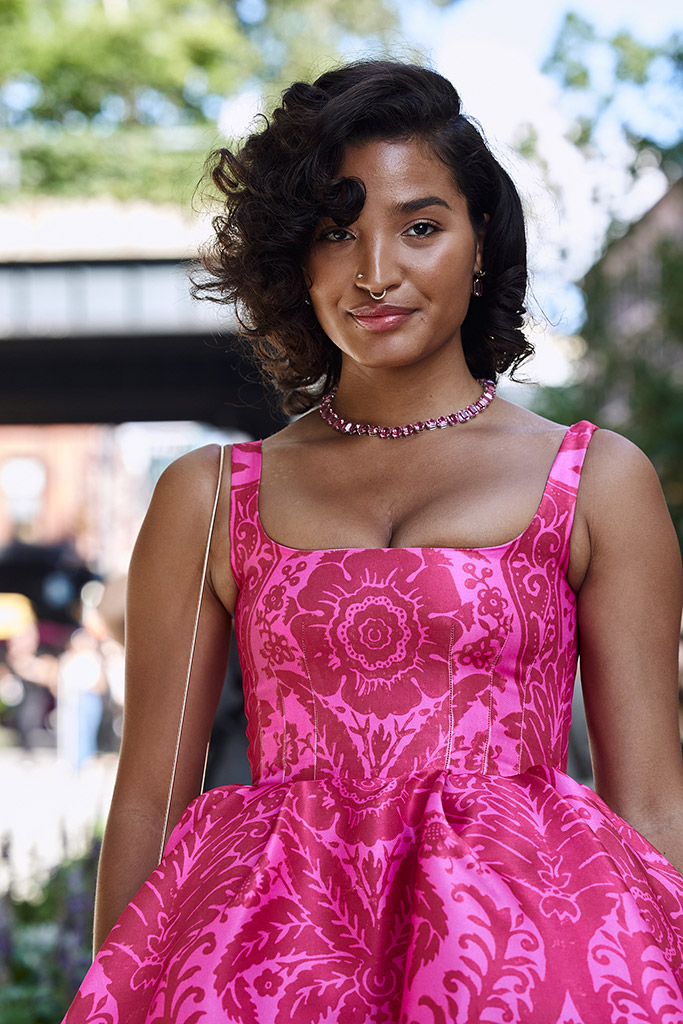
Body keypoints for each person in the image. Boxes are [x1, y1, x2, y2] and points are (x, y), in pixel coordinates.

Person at [63, 61, 683, 1022]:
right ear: (291, 261)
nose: (375, 272)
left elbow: (649, 805)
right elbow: (149, 797)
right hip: (263, 967)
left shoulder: (597, 478)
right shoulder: (209, 497)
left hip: (532, 964)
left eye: (420, 226)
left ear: (481, 246)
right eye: (334, 234)